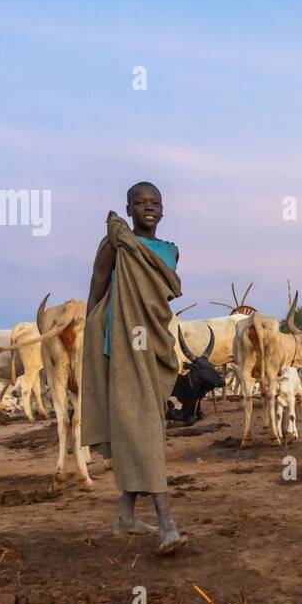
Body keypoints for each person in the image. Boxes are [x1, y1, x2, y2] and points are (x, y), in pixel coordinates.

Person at [82, 181, 187, 555]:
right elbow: (98, 282)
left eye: (154, 202)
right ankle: (167, 524)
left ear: (163, 209)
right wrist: (91, 331)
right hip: (124, 344)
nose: (148, 207)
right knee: (144, 429)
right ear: (128, 209)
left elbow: (161, 297)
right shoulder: (117, 242)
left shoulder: (170, 251)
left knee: (144, 426)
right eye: (140, 202)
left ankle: (125, 515)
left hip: (154, 344)